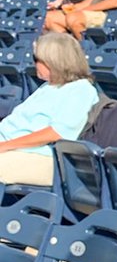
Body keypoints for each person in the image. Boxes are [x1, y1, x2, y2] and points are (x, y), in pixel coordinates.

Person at [0, 33, 99, 187]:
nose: (34, 64)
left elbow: (56, 133)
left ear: (54, 61)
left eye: (37, 60)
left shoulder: (81, 90)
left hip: (39, 156)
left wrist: (5, 146)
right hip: (11, 147)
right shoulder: (48, 86)